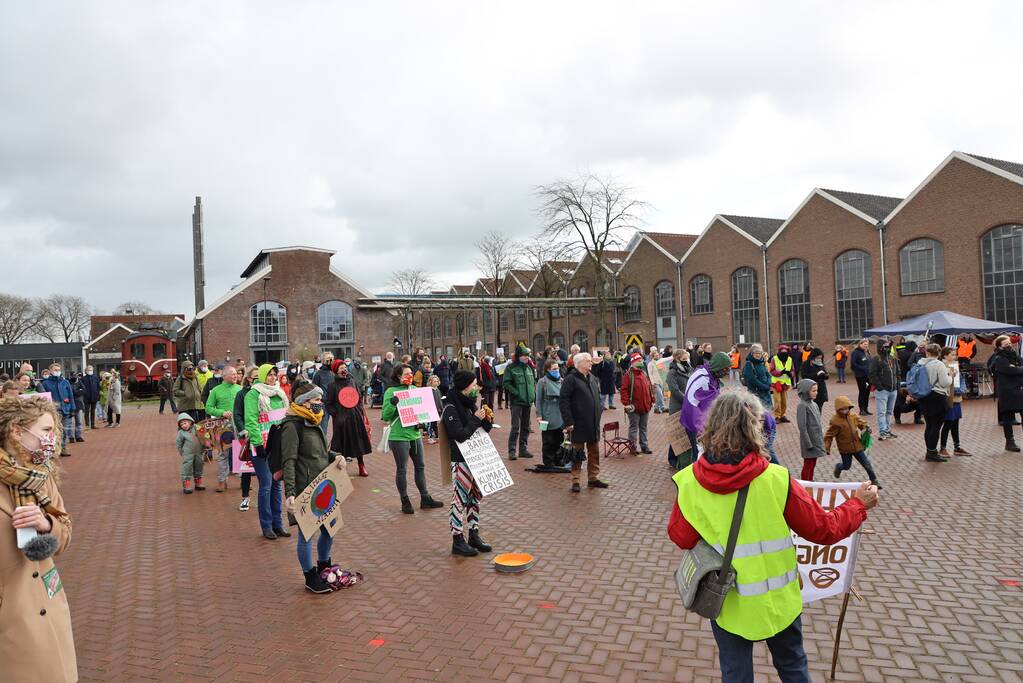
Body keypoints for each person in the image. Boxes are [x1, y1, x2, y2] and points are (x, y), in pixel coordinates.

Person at [668, 389, 877, 682]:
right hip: (779, 602)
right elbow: (823, 529)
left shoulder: (689, 481)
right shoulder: (776, 479)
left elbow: (681, 538)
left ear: (711, 425)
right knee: (792, 668)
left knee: (735, 674)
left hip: (728, 602)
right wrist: (857, 505)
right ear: (755, 427)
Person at [0, 394, 78, 682]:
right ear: (16, 431)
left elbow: (65, 532)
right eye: (46, 430)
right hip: (12, 615)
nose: (52, 438)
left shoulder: (40, 475)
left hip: (49, 601)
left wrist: (46, 523)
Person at [281, 380, 361, 593]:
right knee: (307, 534)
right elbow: (288, 460)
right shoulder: (292, 425)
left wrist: (336, 456)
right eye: (316, 399)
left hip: (323, 485)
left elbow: (321, 452)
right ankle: (310, 576)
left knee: (329, 529)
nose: (320, 403)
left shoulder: (313, 420)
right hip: (305, 487)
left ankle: (324, 566)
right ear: (304, 402)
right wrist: (290, 493)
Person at [441, 370, 495, 556]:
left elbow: (482, 429)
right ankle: (457, 539)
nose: (476, 388)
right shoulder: (450, 407)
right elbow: (460, 435)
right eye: (473, 385)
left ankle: (474, 533)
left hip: (476, 457)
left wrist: (487, 419)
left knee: (475, 497)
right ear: (464, 386)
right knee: (459, 499)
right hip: (460, 459)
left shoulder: (470, 404)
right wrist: (476, 419)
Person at [382, 364, 445, 514]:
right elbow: (385, 416)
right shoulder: (391, 391)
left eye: (411, 373)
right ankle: (405, 500)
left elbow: (422, 411)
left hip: (414, 434)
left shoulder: (415, 390)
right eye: (407, 373)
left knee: (420, 466)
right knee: (402, 469)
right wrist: (392, 404)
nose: (410, 375)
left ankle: (425, 497)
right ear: (398, 376)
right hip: (399, 436)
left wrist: (423, 420)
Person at [244, 364, 289, 540]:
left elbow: (286, 416)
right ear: (262, 376)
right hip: (261, 445)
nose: (272, 378)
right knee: (266, 484)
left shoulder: (280, 392)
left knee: (277, 484)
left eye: (274, 375)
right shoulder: (253, 394)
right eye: (269, 375)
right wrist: (258, 443)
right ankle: (267, 525)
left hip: (277, 444)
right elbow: (251, 420)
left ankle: (278, 524)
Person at [559, 352, 606, 492]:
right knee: (576, 453)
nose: (591, 363)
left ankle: (593, 478)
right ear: (579, 363)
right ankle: (576, 480)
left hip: (592, 422)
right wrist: (568, 421)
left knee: (594, 452)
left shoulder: (592, 378)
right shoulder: (570, 379)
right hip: (577, 423)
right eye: (588, 361)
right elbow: (564, 401)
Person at [324, 359, 372, 477]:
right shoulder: (332, 386)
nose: (344, 369)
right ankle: (340, 469)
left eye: (344, 367)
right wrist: (336, 414)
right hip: (341, 420)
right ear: (336, 371)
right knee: (341, 445)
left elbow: (358, 396)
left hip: (354, 416)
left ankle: (361, 465)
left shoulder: (352, 381)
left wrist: (359, 409)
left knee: (358, 442)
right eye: (341, 368)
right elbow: (328, 403)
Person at [680, 352, 732, 457]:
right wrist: (701, 431)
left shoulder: (712, 376)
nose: (727, 373)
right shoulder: (702, 379)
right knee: (699, 455)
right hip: (697, 425)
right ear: (718, 367)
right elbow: (691, 406)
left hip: (704, 422)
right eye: (725, 370)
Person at [826, 396, 882, 488]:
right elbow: (829, 436)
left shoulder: (853, 416)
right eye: (842, 409)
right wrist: (826, 448)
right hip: (845, 449)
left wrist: (866, 427)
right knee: (846, 466)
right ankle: (839, 467)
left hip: (857, 446)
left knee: (866, 464)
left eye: (847, 408)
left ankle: (874, 480)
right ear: (838, 409)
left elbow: (862, 423)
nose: (845, 410)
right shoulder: (835, 421)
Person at [206, 365, 242, 492]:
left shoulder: (240, 389)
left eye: (236, 374)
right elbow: (208, 408)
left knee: (241, 453)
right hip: (223, 427)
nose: (235, 376)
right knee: (222, 454)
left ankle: (244, 481)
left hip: (239, 426)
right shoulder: (216, 390)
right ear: (224, 376)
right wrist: (222, 412)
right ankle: (222, 481)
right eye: (232, 374)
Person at [915, 343, 952, 462]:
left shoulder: (920, 363)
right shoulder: (939, 364)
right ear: (939, 353)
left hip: (924, 396)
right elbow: (944, 382)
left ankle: (929, 451)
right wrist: (951, 376)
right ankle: (932, 452)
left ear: (927, 352)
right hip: (937, 396)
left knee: (929, 425)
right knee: (936, 426)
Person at [989, 334, 1023, 453]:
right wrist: (1018, 369)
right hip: (1006, 391)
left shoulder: (1015, 355)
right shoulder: (998, 358)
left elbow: (1017, 367)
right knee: (1007, 417)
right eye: (1006, 344)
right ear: (1000, 346)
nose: (1009, 345)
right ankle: (1010, 442)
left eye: (1009, 343)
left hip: (1019, 389)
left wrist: (1016, 368)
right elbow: (1009, 370)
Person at [503, 346, 537, 460]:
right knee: (515, 427)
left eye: (528, 355)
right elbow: (506, 383)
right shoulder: (511, 368)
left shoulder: (529, 368)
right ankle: (511, 451)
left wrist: (533, 396)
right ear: (519, 356)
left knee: (526, 427)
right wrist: (516, 393)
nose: (527, 357)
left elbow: (533, 383)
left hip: (527, 402)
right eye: (524, 355)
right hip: (516, 402)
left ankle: (523, 449)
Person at [534, 357, 568, 471]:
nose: (556, 370)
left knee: (559, 439)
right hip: (547, 416)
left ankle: (558, 459)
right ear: (548, 370)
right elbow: (538, 400)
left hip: (560, 415)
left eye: (557, 368)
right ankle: (548, 461)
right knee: (548, 441)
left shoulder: (562, 381)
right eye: (554, 368)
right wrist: (539, 415)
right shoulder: (542, 382)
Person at [233, 366, 259, 511]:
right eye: (255, 376)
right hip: (248, 435)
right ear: (248, 378)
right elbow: (237, 414)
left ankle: (265, 497)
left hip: (264, 435)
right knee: (246, 468)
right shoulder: (241, 394)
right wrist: (243, 431)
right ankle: (245, 498)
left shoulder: (264, 392)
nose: (258, 379)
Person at [39, 363, 76, 457]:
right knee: (54, 431)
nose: (57, 371)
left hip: (66, 409)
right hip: (54, 411)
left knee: (65, 430)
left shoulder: (65, 382)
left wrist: (73, 408)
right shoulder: (45, 383)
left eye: (58, 370)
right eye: (55, 370)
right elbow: (44, 398)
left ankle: (63, 448)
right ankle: (54, 449)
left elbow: (71, 396)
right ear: (50, 371)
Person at [939, 347, 970, 457]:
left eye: (955, 354)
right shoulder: (942, 366)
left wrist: (961, 389)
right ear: (944, 356)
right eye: (952, 354)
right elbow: (945, 382)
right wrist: (955, 389)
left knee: (955, 423)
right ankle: (942, 448)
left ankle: (957, 447)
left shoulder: (955, 365)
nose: (954, 356)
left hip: (957, 399)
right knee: (948, 423)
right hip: (948, 399)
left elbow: (960, 379)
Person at [621, 352, 654, 455]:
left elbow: (648, 387)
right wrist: (626, 403)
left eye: (641, 360)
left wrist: (652, 398)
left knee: (643, 428)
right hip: (633, 407)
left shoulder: (643, 373)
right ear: (633, 362)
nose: (641, 362)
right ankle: (633, 447)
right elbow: (624, 390)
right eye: (639, 361)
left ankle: (644, 446)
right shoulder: (628, 375)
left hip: (645, 405)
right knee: (634, 427)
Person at [867, 339, 900, 441]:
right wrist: (879, 386)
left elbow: (898, 372)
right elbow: (872, 374)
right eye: (885, 346)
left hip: (893, 390)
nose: (887, 347)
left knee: (889, 412)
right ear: (880, 347)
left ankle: (887, 430)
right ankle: (882, 432)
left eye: (888, 346)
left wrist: (897, 384)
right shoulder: (876, 359)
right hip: (882, 390)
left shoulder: (892, 358)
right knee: (882, 412)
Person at [795, 379, 826, 481]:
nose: (816, 393)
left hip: (816, 440)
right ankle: (805, 484)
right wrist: (808, 443)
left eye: (816, 390)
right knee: (808, 464)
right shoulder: (802, 406)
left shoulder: (814, 404)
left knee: (813, 463)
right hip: (809, 441)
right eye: (813, 391)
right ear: (805, 391)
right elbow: (802, 427)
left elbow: (817, 423)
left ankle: (810, 482)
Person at [175, 413, 205, 494]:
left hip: (198, 451)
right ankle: (186, 483)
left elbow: (204, 434)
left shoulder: (197, 427)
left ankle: (198, 480)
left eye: (185, 423)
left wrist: (205, 444)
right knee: (187, 466)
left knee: (199, 464)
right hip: (188, 453)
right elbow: (178, 444)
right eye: (181, 424)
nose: (183, 425)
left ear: (190, 422)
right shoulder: (181, 433)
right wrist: (182, 452)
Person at [741, 343, 772, 410]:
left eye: (760, 353)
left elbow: (768, 375)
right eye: (756, 353)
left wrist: (768, 383)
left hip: (765, 393)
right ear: (752, 353)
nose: (758, 355)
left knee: (766, 413)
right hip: (755, 393)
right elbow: (752, 379)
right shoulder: (749, 364)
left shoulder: (762, 362)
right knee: (757, 413)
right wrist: (764, 386)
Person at [768, 345, 795, 423]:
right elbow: (772, 371)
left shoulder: (790, 359)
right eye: (782, 352)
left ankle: (782, 415)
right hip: (776, 383)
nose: (784, 353)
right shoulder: (774, 359)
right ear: (779, 352)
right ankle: (777, 416)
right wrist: (781, 372)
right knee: (777, 400)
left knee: (784, 401)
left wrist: (791, 374)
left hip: (785, 384)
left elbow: (793, 370)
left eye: (785, 352)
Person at [799, 347, 829, 414]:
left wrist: (825, 375)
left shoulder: (821, 364)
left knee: (819, 410)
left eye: (820, 358)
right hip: (810, 389)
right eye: (818, 357)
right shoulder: (806, 364)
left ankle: (818, 423)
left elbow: (825, 375)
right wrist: (816, 374)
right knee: (811, 410)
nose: (819, 359)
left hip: (820, 390)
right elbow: (804, 376)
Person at [850, 338, 873, 416]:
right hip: (860, 376)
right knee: (862, 392)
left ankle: (866, 409)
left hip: (868, 376)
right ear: (860, 344)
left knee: (867, 392)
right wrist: (863, 368)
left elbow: (870, 362)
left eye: (867, 344)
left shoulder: (867, 352)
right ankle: (861, 409)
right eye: (864, 344)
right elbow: (853, 365)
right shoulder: (856, 353)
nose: (866, 346)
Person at [81, 365, 100, 430]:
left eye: (91, 370)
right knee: (86, 411)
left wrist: (97, 395)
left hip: (94, 397)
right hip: (86, 397)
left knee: (93, 411)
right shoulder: (83, 378)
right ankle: (87, 425)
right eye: (88, 370)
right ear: (86, 371)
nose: (90, 371)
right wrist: (84, 394)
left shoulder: (95, 378)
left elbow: (98, 387)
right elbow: (81, 388)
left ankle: (92, 424)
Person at [69, 373, 86, 443]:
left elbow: (84, 391)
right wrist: (78, 391)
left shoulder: (80, 382)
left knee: (79, 421)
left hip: (79, 404)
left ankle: (78, 436)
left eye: (75, 376)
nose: (74, 377)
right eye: (72, 376)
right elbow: (69, 393)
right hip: (70, 405)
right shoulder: (67, 383)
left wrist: (76, 392)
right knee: (71, 422)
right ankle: (71, 437)